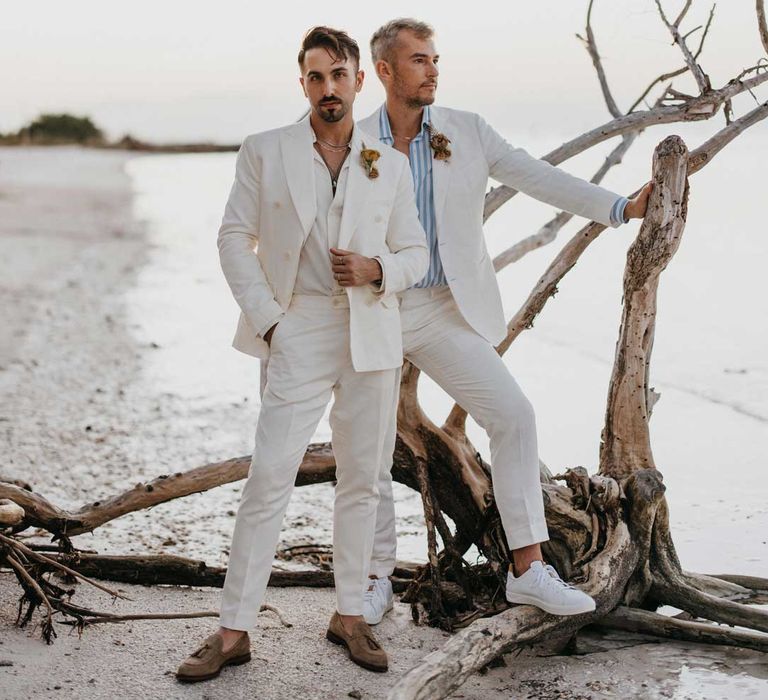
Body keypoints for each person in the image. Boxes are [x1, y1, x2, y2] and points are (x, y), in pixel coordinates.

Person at [357, 18, 652, 625]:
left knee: (514, 416)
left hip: (444, 307)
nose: (433, 68)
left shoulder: (467, 130)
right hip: (375, 307)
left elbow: (536, 176)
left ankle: (528, 571)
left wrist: (620, 207)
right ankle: (371, 579)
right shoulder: (353, 140)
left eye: (435, 58)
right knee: (371, 443)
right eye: (418, 60)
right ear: (385, 71)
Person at [176, 26, 428, 681]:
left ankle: (350, 615)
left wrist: (377, 268)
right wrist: (271, 322)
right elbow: (234, 237)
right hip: (299, 329)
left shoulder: (389, 163)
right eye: (315, 78)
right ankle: (233, 631)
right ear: (304, 85)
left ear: (359, 81)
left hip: (371, 335)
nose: (328, 88)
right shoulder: (266, 151)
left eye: (338, 76)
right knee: (269, 479)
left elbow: (417, 254)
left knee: (363, 482)